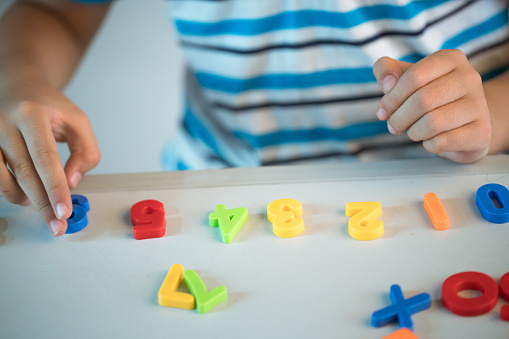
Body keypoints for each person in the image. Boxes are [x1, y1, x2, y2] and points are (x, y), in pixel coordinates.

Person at [1, 0, 508, 237]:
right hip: (216, 184)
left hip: (452, 179)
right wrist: (15, 76)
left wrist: (493, 114)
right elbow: (57, 10)